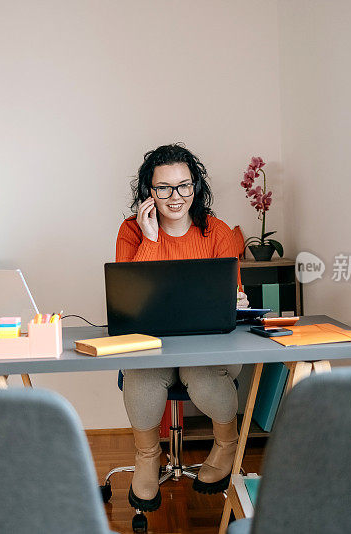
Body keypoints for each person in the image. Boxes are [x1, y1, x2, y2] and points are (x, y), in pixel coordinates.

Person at [115, 143, 249, 512]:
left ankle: (226, 445)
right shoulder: (131, 233)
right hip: (151, 346)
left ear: (196, 187)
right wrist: (153, 240)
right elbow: (130, 302)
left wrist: (235, 301)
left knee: (201, 374)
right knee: (143, 374)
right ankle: (147, 457)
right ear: (149, 192)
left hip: (210, 347)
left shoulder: (217, 232)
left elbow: (232, 296)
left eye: (184, 186)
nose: (175, 197)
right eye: (164, 188)